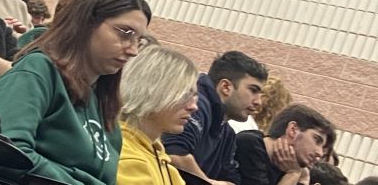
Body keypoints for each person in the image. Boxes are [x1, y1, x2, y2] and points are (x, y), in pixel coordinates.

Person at [0, 0, 152, 185]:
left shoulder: (104, 100)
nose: (133, 50)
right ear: (87, 23)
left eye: (139, 40)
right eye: (126, 33)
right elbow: (5, 150)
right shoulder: (38, 70)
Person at [164, 50, 269, 185]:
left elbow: (232, 179)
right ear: (226, 87)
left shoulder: (227, 133)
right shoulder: (197, 105)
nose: (258, 102)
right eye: (253, 90)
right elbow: (174, 154)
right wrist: (208, 182)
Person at [116, 44, 199, 185]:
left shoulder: (158, 157)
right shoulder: (128, 157)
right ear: (152, 91)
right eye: (185, 95)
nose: (193, 107)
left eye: (194, 96)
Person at [235, 104, 334, 185]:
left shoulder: (288, 166)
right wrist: (293, 174)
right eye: (317, 140)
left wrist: (302, 179)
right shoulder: (249, 144)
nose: (320, 153)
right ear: (293, 130)